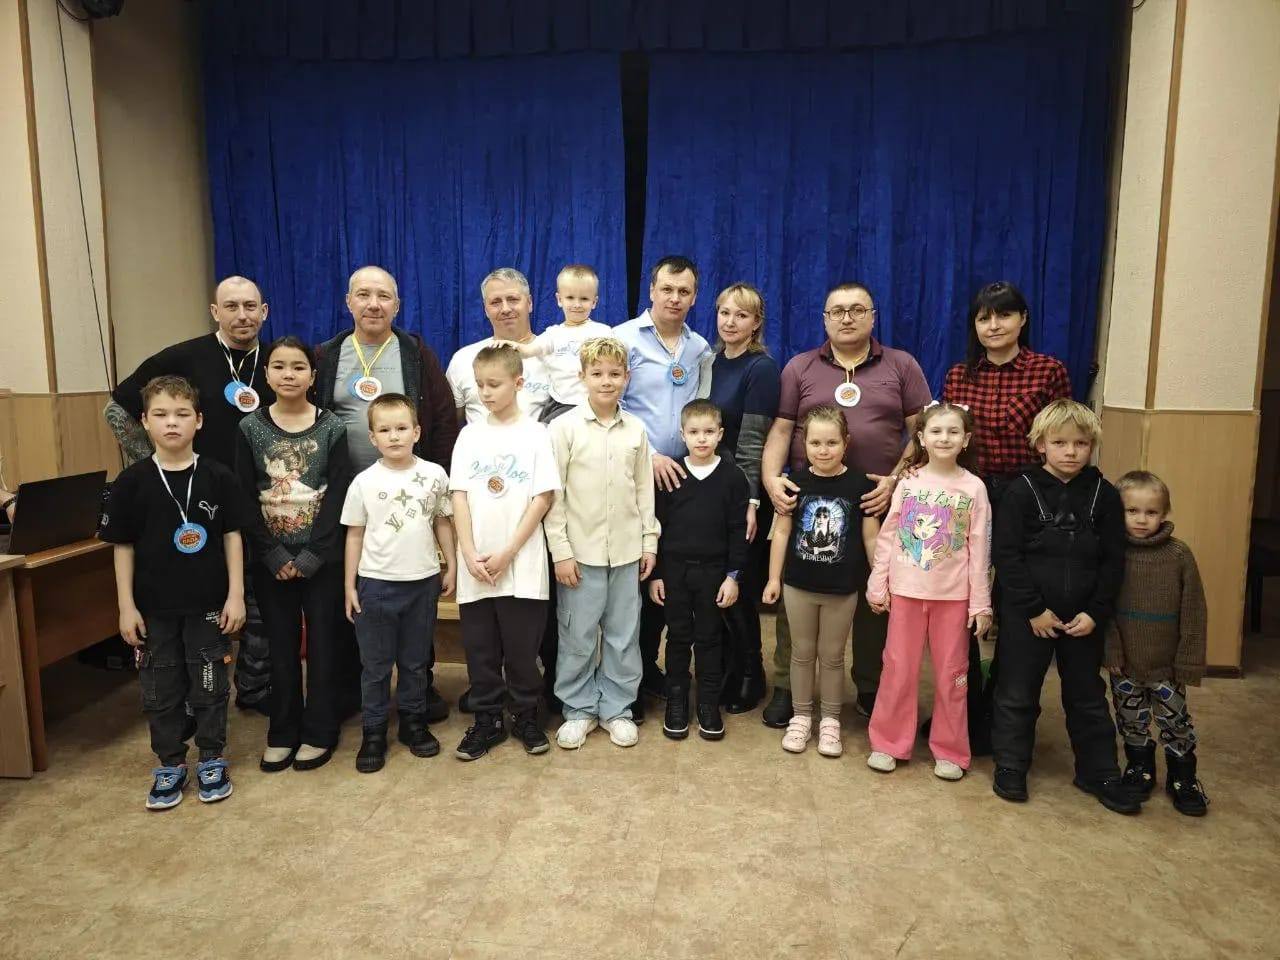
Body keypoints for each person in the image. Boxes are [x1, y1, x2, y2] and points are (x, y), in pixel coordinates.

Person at [760, 283, 931, 727]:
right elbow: (781, 430)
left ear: (873, 316)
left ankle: (870, 685)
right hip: (812, 502)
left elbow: (923, 431)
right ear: (824, 319)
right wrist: (771, 480)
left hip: (877, 501)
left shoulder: (902, 365)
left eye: (857, 309)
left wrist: (896, 481)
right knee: (800, 587)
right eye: (837, 311)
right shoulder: (800, 367)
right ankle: (787, 685)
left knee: (874, 593)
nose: (847, 318)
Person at [106, 276, 275, 712]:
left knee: (258, 605)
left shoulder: (276, 361)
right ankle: (187, 700)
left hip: (262, 502)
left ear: (264, 312)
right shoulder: (184, 356)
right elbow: (117, 408)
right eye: (231, 306)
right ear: (215, 312)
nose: (242, 315)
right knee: (195, 608)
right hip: (195, 505)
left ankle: (254, 688)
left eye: (250, 306)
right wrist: (158, 465)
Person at [315, 265, 458, 722]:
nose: (373, 304)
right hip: (347, 496)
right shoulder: (327, 355)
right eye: (363, 295)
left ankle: (420, 690)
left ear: (397, 305)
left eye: (383, 296)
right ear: (348, 302)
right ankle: (354, 691)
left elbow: (442, 419)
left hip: (409, 496)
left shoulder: (415, 353)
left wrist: (436, 484)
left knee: (416, 601)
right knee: (355, 597)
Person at [100, 375, 247, 809]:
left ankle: (212, 757)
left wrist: (235, 595)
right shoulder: (131, 482)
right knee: (160, 688)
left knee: (210, 684)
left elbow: (232, 537)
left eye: (182, 414)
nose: (171, 423)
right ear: (144, 421)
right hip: (153, 609)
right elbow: (123, 546)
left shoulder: (218, 476)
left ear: (198, 421)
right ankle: (170, 762)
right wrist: (126, 607)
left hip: (208, 604)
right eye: (161, 414)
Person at [940, 280, 1072, 752]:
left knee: (1013, 604)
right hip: (968, 494)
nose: (993, 326)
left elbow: (1062, 438)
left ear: (1023, 319)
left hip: (1027, 497)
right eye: (984, 318)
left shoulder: (1047, 371)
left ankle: (1003, 712)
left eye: (1003, 315)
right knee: (961, 601)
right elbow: (947, 438)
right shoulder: (959, 376)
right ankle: (963, 706)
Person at [989, 400, 1138, 814]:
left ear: (1092, 446)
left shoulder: (1105, 496)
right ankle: (1011, 765)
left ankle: (1099, 771)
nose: (1071, 451)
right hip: (1028, 616)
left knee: (1087, 695)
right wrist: (1032, 609)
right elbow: (1007, 556)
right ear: (1040, 444)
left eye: (1081, 443)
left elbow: (1113, 562)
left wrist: (1095, 613)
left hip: (1083, 619)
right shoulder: (1020, 491)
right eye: (1060, 443)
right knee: (1017, 692)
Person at [236, 336, 353, 773]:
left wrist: (314, 554)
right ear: (266, 375)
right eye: (280, 366)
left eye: (298, 367)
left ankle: (320, 729)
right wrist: (271, 553)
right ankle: (283, 731)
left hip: (321, 559)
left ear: (313, 375)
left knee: (323, 644)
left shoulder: (332, 426)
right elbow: (243, 495)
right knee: (281, 646)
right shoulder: (249, 428)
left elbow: (338, 494)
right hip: (271, 559)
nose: (289, 374)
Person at [447, 267, 557, 713]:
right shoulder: (463, 361)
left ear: (530, 302)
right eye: (496, 301)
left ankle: (533, 705)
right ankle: (488, 710)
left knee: (528, 630)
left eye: (514, 299)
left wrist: (510, 548)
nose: (506, 308)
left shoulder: (553, 353)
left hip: (534, 509)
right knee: (483, 640)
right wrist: (467, 548)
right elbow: (458, 478)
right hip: (483, 513)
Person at [864, 402, 992, 781]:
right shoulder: (908, 483)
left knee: (953, 674)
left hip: (953, 598)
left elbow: (979, 549)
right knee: (897, 669)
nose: (944, 438)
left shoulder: (974, 488)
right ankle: (889, 742)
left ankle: (950, 749)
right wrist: (878, 583)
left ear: (966, 440)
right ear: (921, 438)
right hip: (906, 592)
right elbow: (888, 537)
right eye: (936, 431)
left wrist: (981, 603)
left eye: (953, 432)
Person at [544, 337, 659, 749]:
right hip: (580, 554)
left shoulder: (636, 430)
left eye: (614, 374)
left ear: (626, 377)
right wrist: (561, 552)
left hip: (626, 552)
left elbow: (644, 490)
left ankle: (616, 709)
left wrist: (649, 542)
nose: (606, 381)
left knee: (623, 635)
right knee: (577, 636)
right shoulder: (563, 428)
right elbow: (553, 496)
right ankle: (578, 709)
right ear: (582, 377)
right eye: (597, 374)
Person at [615, 255, 714, 722]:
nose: (675, 298)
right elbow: (609, 401)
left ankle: (655, 670)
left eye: (684, 291)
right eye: (667, 289)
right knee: (637, 577)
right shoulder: (623, 338)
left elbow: (702, 410)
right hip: (635, 472)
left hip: (682, 478)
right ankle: (628, 679)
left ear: (694, 297)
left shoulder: (699, 347)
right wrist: (649, 452)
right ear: (651, 290)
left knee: (667, 574)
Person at [341, 393, 456, 773]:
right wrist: (350, 585)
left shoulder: (434, 475)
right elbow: (355, 535)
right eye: (385, 430)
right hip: (376, 586)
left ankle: (413, 721)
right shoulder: (364, 482)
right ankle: (374, 731)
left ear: (417, 432)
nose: (394, 436)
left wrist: (451, 564)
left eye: (402, 428)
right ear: (372, 437)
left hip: (422, 583)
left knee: (415, 661)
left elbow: (442, 521)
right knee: (375, 666)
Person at [763, 405, 880, 758]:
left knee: (831, 656)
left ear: (846, 443)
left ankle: (830, 720)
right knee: (801, 653)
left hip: (842, 589)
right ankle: (801, 716)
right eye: (815, 443)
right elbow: (782, 532)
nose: (823, 450)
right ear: (804, 443)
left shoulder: (860, 485)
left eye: (832, 442)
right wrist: (773, 578)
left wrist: (878, 578)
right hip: (798, 585)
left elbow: (871, 538)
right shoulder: (794, 483)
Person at [1105, 471, 1209, 816]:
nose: (1141, 519)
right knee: (1131, 719)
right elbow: (1103, 606)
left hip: (1167, 665)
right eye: (1132, 511)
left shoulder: (1179, 555)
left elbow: (1194, 610)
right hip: (1125, 663)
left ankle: (1183, 777)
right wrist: (1111, 649)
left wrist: (1188, 660)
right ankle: (1140, 768)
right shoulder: (1112, 553)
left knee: (1175, 721)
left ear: (1164, 513)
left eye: (1151, 512)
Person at [650, 400, 749, 741]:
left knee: (709, 638)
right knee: (678, 638)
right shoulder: (671, 474)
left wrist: (733, 576)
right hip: (675, 572)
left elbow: (738, 529)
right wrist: (658, 574)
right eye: (694, 432)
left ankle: (708, 703)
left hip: (714, 573)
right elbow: (658, 527)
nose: (702, 439)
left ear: (720, 434)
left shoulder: (733, 477)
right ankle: (677, 700)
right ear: (683, 435)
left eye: (709, 432)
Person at [708, 283, 781, 714]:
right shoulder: (711, 362)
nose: (731, 322)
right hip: (710, 489)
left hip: (742, 494)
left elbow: (754, 441)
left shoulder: (761, 368)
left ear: (756, 323)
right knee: (714, 584)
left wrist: (751, 502)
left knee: (739, 585)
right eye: (725, 313)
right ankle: (725, 669)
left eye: (741, 315)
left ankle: (751, 674)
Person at [509, 264, 613, 419]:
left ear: (594, 302)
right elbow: (529, 350)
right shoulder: (553, 334)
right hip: (561, 404)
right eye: (570, 298)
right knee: (548, 431)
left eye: (584, 299)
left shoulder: (603, 332)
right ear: (559, 299)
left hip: (595, 404)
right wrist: (513, 347)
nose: (577, 304)